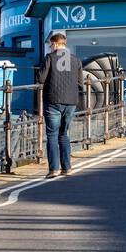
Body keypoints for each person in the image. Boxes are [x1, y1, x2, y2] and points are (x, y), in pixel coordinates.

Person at [37, 31, 81, 178]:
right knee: (64, 134)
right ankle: (67, 167)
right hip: (71, 102)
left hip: (54, 100)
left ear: (55, 44)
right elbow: (80, 83)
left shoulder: (50, 58)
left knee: (52, 135)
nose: (50, 48)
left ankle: (54, 169)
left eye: (51, 45)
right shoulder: (76, 60)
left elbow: (41, 78)